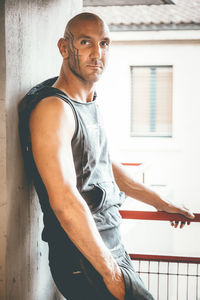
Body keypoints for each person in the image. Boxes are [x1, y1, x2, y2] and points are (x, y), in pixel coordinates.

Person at [18, 12, 194, 300]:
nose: (97, 53)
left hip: (109, 249)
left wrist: (163, 203)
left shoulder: (87, 102)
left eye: (104, 43)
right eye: (86, 42)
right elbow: (64, 200)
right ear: (64, 48)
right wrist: (110, 272)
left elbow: (104, 165)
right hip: (84, 260)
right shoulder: (55, 109)